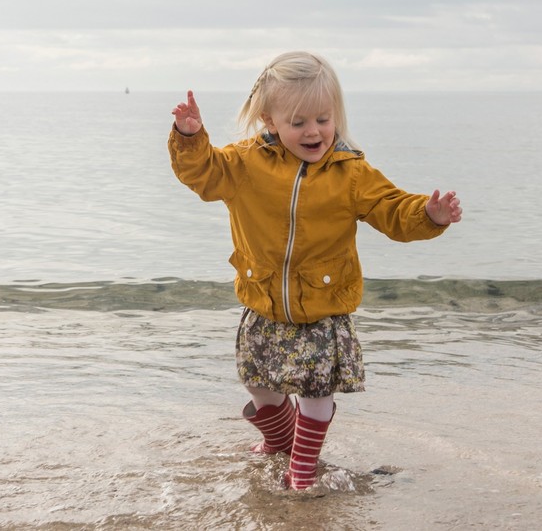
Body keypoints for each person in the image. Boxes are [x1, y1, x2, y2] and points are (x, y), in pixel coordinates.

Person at [168, 51, 462, 491]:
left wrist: (430, 215)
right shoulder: (245, 164)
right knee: (257, 382)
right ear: (270, 120)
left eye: (323, 119)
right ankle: (281, 437)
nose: (314, 131)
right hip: (263, 300)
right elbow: (204, 174)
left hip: (322, 307)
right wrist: (190, 138)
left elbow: (392, 209)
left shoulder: (351, 172)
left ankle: (302, 466)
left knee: (314, 390)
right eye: (299, 121)